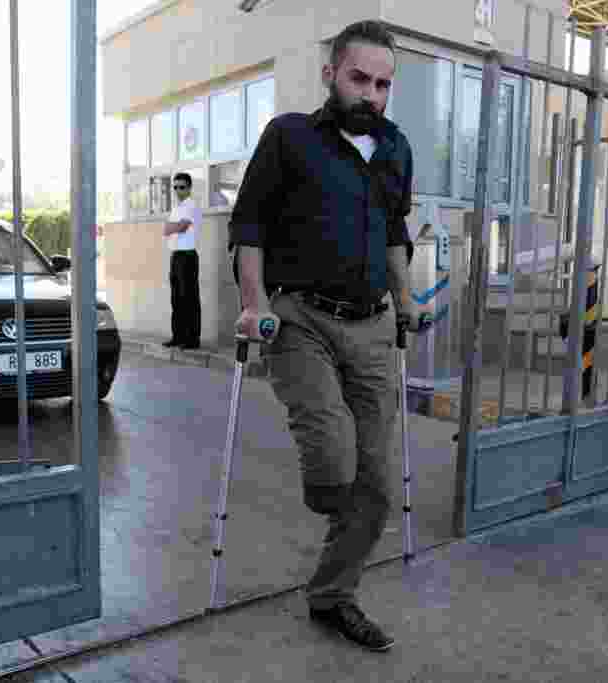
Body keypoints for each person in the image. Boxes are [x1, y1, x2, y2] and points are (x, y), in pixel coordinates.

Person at [229, 20, 430, 652]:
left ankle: (333, 595)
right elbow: (250, 227)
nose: (372, 94)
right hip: (301, 320)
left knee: (376, 480)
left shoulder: (395, 148)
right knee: (334, 460)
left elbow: (396, 234)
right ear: (330, 73)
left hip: (371, 323)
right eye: (360, 79)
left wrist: (405, 300)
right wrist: (254, 303)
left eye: (383, 84)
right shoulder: (290, 137)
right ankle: (330, 494)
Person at [162, 172, 203, 350]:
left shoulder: (191, 205)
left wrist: (173, 227)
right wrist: (173, 227)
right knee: (176, 299)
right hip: (175, 256)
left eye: (182, 187)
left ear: (189, 188)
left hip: (187, 257)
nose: (178, 190)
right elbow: (166, 229)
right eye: (175, 187)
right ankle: (178, 336)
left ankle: (192, 339)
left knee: (189, 299)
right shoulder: (177, 208)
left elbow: (181, 226)